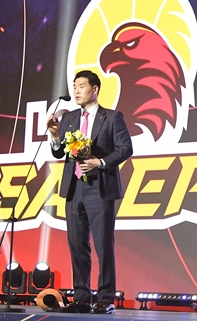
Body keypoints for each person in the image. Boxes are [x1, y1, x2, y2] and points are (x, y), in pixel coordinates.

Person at [47, 70, 133, 314]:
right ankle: (81, 298)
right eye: (74, 86)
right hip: (74, 189)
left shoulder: (112, 117)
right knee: (77, 245)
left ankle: (106, 299)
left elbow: (125, 148)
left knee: (103, 246)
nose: (76, 91)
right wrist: (54, 136)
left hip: (100, 188)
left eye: (81, 86)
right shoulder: (69, 118)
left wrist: (101, 162)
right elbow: (59, 152)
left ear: (95, 89)